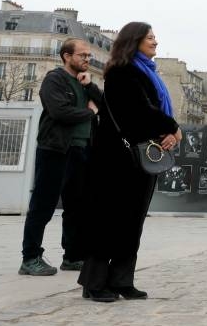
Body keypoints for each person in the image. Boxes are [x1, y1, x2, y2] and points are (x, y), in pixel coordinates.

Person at [77, 22, 182, 303]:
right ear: (134, 42)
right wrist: (172, 127)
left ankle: (122, 279)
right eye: (150, 38)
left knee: (132, 221)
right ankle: (94, 283)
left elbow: (151, 111)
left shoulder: (147, 72)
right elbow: (138, 111)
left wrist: (170, 131)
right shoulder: (123, 72)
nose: (156, 42)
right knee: (109, 219)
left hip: (140, 156)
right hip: (117, 158)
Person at [18, 38, 102, 276]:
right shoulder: (54, 79)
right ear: (67, 56)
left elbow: (104, 106)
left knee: (77, 207)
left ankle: (73, 256)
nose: (88, 59)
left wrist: (90, 87)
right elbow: (59, 111)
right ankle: (30, 257)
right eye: (83, 55)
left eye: (89, 56)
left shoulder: (83, 82)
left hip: (81, 150)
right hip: (55, 149)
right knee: (43, 205)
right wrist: (88, 112)